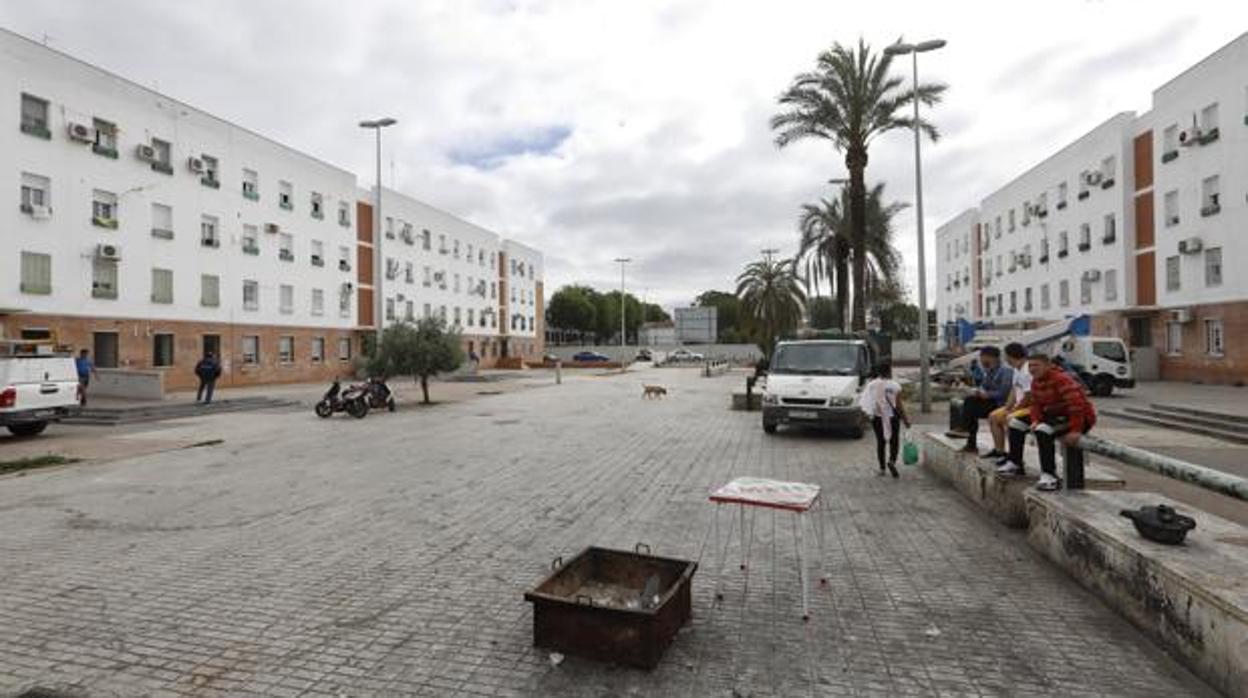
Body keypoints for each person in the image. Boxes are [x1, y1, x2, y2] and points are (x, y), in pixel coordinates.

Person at [1007, 352, 1097, 492]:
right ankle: (1015, 463)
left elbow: (1076, 406)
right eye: (1030, 366)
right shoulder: (1036, 381)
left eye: (1036, 365)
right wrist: (1035, 420)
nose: (1032, 369)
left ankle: (1049, 476)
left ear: (1048, 365)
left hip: (1078, 418)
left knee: (1043, 430)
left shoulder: (1061, 379)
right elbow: (1036, 404)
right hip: (1054, 415)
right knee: (1016, 423)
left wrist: (1076, 430)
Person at [987, 342, 1033, 475]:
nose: (1005, 359)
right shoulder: (1016, 369)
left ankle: (1015, 460)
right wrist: (1007, 407)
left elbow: (1029, 396)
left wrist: (1014, 410)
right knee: (993, 417)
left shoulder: (1027, 370)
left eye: (1006, 356)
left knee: (1010, 420)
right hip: (1019, 405)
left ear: (1011, 355)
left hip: (1029, 406)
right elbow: (1014, 390)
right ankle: (1000, 452)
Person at [859, 363, 910, 478]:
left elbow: (866, 402)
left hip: (877, 418)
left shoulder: (872, 385)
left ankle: (882, 468)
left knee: (881, 443)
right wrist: (906, 420)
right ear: (889, 371)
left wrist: (866, 417)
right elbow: (899, 406)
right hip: (892, 418)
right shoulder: (895, 386)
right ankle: (892, 461)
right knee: (894, 441)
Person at [959, 346, 1013, 454]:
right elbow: (984, 386)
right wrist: (975, 391)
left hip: (1002, 404)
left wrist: (988, 395)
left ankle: (966, 432)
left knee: (970, 407)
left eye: (982, 358)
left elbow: (1004, 392)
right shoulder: (990, 370)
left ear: (991, 357)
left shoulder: (1006, 370)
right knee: (969, 403)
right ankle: (969, 441)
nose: (981, 361)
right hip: (991, 401)